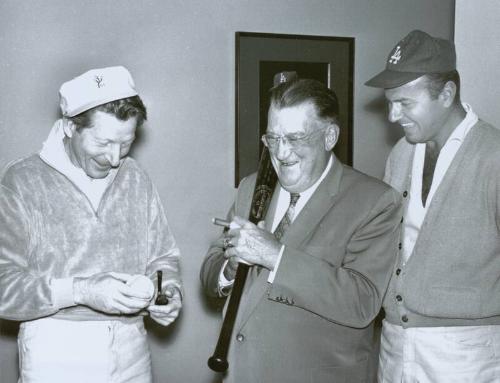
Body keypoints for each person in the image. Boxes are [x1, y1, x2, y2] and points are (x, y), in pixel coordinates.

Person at [200, 76, 402, 382]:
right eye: (272, 139)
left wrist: (274, 255)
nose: (281, 154)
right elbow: (211, 269)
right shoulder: (252, 187)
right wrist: (229, 266)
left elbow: (363, 301)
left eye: (294, 138)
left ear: (329, 136)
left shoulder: (374, 201)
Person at [0, 66, 182, 383]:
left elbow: (162, 256)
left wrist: (166, 290)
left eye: (126, 144)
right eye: (103, 143)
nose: (114, 159)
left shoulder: (135, 176)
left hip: (132, 350)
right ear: (71, 127)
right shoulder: (22, 180)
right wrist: (82, 291)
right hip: (55, 351)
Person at [365, 30, 500, 382]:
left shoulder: (494, 157)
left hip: (466, 353)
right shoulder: (402, 153)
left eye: (405, 103)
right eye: (389, 103)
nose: (393, 116)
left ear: (447, 94)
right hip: (395, 343)